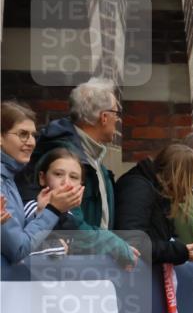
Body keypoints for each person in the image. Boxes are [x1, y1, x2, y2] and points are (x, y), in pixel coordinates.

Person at [19, 78, 138, 266]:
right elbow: (68, 224)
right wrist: (114, 244)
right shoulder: (64, 158)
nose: (119, 119)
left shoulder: (93, 158)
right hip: (66, 270)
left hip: (90, 268)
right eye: (117, 113)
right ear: (104, 117)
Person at [3, 102, 84, 263]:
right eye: (23, 134)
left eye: (33, 135)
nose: (31, 142)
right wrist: (52, 210)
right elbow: (18, 250)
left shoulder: (8, 177)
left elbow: (16, 237)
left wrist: (40, 214)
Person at [114, 144, 193, 264]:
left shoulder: (158, 191)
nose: (192, 187)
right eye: (192, 181)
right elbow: (133, 241)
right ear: (181, 178)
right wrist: (178, 252)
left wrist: (183, 251)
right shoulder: (139, 188)